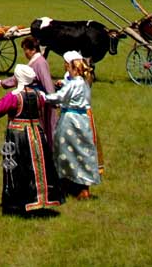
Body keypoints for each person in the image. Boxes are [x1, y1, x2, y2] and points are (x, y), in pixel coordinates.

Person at [0, 64, 64, 214]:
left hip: (17, 135)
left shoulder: (14, 97)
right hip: (37, 135)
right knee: (38, 166)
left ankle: (16, 202)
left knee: (14, 166)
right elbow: (49, 103)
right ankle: (38, 199)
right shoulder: (38, 95)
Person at [43, 51, 102, 199]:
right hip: (83, 121)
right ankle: (82, 185)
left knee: (64, 151)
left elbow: (59, 97)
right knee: (82, 151)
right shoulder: (83, 82)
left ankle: (65, 182)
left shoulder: (74, 83)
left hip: (70, 120)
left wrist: (43, 96)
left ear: (73, 68)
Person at [1, 36, 58, 146]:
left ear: (32, 50)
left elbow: (47, 82)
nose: (25, 53)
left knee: (45, 126)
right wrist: (3, 83)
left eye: (25, 50)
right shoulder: (35, 61)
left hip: (41, 101)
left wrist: (52, 99)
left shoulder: (40, 62)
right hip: (33, 99)